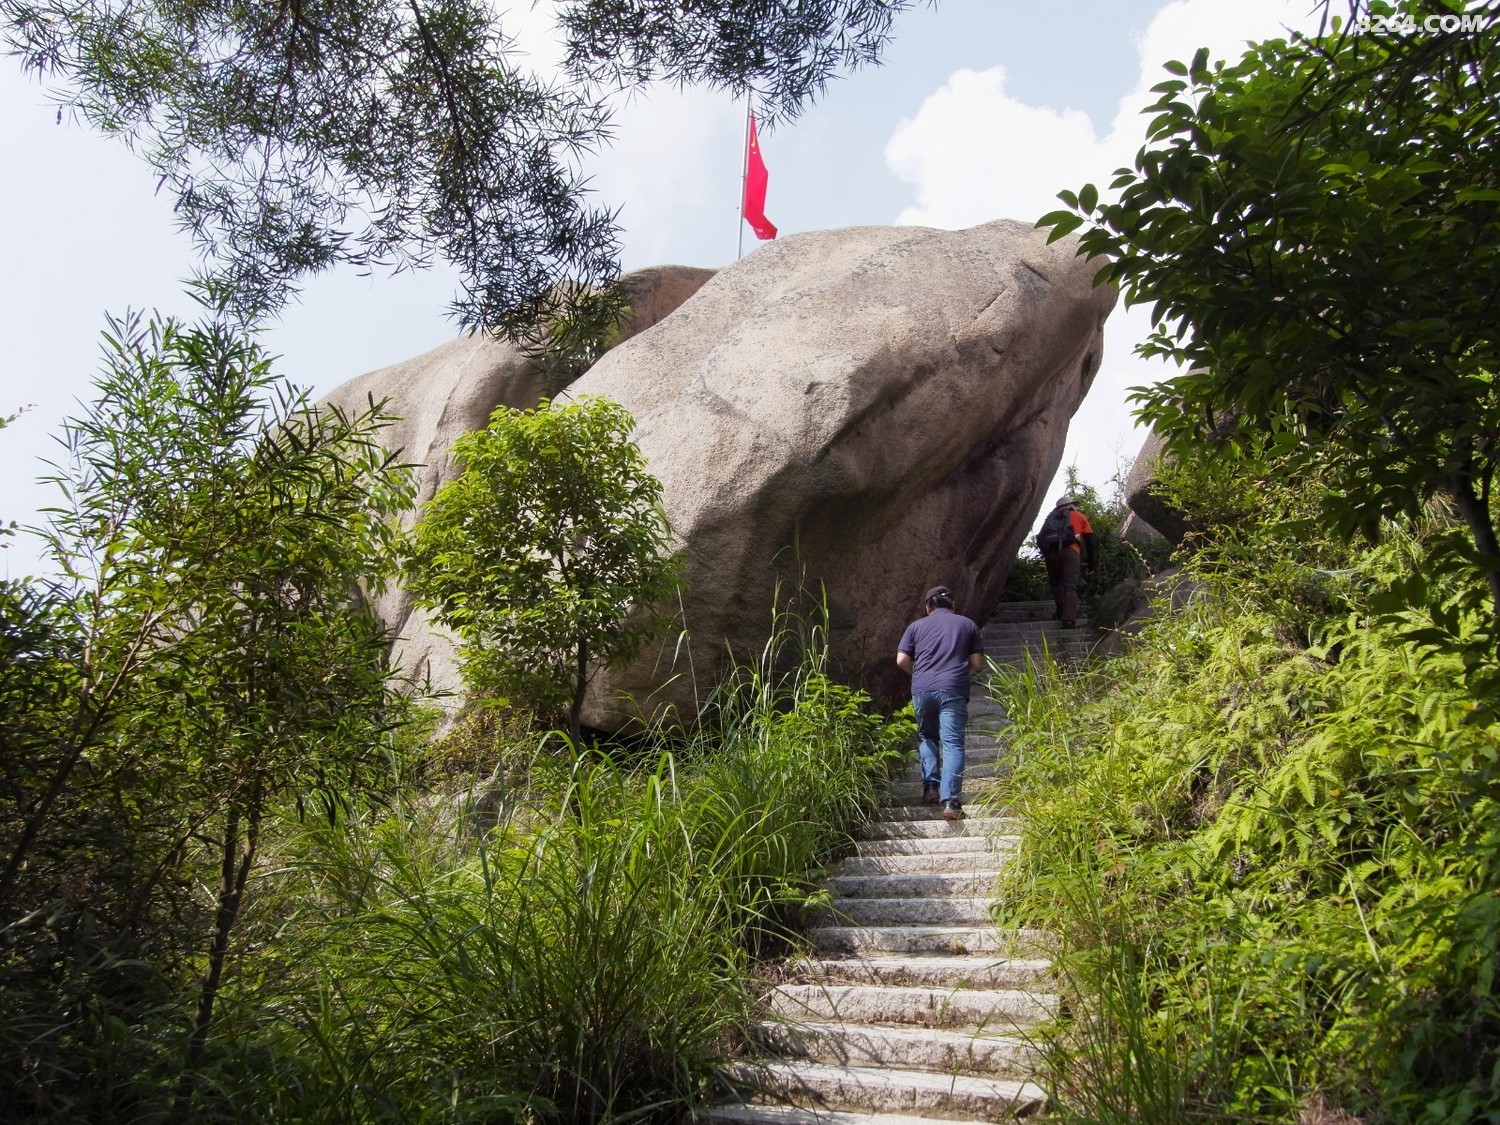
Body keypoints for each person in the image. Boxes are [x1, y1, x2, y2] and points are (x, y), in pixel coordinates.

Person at [896, 585, 984, 821]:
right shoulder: (967, 624)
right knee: (953, 743)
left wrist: (919, 674)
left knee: (927, 737)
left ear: (927, 608)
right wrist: (961, 674)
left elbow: (901, 659)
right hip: (953, 688)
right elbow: (976, 663)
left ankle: (931, 788)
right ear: (953, 606)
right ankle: (951, 802)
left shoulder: (915, 627)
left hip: (922, 689)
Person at [1039, 494, 1097, 628]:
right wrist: (1091, 565)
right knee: (1070, 585)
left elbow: (1041, 538)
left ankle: (1060, 608)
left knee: (1055, 583)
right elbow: (1089, 543)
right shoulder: (1079, 516)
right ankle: (1069, 619)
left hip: (1052, 553)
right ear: (1071, 505)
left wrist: (1047, 554)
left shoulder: (1051, 518)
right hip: (1071, 551)